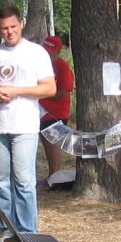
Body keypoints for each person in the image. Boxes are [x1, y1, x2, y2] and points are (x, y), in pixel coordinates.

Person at [0, 5, 56, 242]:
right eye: (4, 29)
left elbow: (49, 88)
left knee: (24, 181)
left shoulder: (36, 53)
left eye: (12, 27)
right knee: (1, 181)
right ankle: (7, 230)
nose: (9, 32)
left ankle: (28, 231)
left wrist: (17, 90)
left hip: (24, 126)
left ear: (21, 24)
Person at [39, 35, 75, 182]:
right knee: (45, 141)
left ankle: (54, 177)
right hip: (41, 112)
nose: (46, 55)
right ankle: (52, 175)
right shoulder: (39, 65)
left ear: (58, 52)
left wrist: (42, 92)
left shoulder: (62, 67)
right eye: (45, 51)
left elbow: (64, 92)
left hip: (57, 114)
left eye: (50, 52)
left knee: (53, 143)